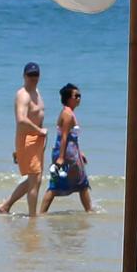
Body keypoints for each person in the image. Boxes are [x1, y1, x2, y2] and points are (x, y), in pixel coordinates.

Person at [0, 61, 46, 219]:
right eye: (30, 75)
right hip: (28, 139)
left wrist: (42, 138)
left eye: (35, 75)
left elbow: (37, 116)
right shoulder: (23, 95)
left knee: (35, 180)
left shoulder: (36, 92)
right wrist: (40, 131)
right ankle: (32, 217)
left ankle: (5, 206)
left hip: (36, 139)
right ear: (24, 76)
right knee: (34, 180)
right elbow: (21, 120)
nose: (33, 78)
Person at [43, 82, 95, 214]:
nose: (79, 98)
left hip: (72, 155)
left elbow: (72, 137)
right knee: (55, 185)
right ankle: (41, 213)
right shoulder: (67, 114)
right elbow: (64, 136)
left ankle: (89, 211)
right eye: (76, 96)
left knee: (82, 184)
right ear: (68, 98)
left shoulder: (70, 112)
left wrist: (80, 152)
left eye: (80, 96)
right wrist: (61, 158)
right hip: (65, 155)